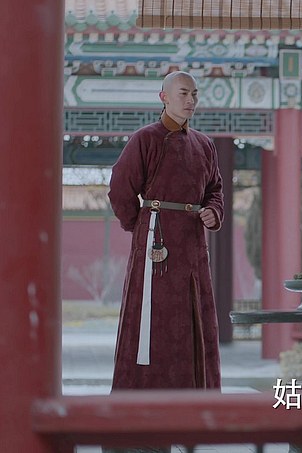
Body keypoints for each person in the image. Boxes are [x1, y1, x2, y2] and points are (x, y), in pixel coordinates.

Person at [108, 70, 224, 393]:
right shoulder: (145, 139)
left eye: (194, 94)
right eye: (183, 93)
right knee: (154, 319)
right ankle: (142, 399)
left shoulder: (205, 145)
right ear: (164, 97)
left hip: (193, 244)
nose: (191, 100)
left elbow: (215, 190)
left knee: (195, 315)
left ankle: (197, 398)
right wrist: (140, 226)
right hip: (155, 244)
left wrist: (213, 211)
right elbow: (120, 189)